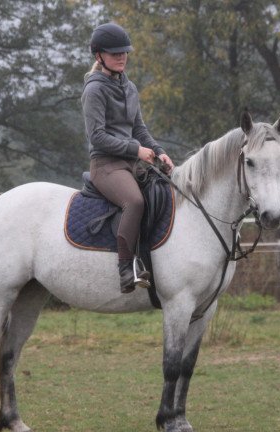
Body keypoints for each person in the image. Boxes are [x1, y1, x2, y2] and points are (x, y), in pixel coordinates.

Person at [81, 22, 174, 294]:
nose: (121, 56)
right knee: (134, 201)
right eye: (114, 53)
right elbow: (97, 137)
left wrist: (159, 151)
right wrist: (135, 150)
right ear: (99, 55)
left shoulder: (129, 87)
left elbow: (139, 129)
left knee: (165, 192)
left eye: (124, 52)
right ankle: (126, 268)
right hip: (106, 165)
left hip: (132, 164)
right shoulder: (94, 90)